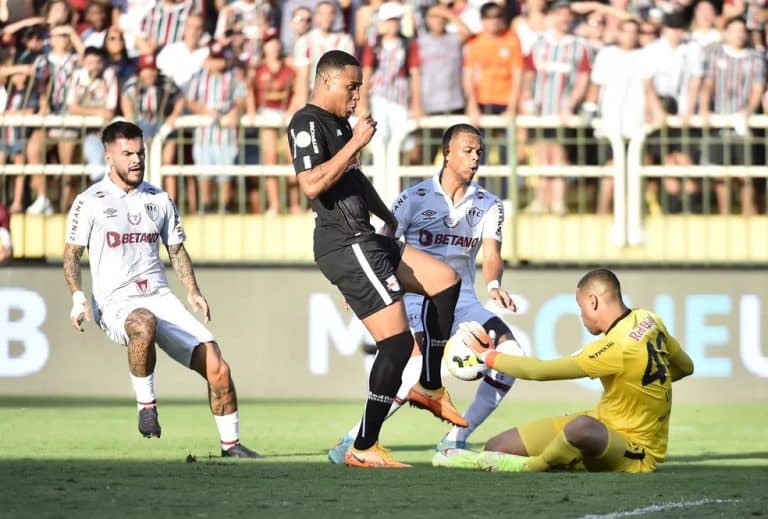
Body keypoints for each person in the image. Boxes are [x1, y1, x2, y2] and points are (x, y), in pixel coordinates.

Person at [287, 50, 462, 468]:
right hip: (344, 242)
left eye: (360, 87)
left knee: (445, 280)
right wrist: (355, 143)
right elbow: (312, 184)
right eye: (352, 87)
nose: (357, 95)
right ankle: (363, 447)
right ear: (326, 82)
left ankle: (430, 384)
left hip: (365, 237)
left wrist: (389, 219)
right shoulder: (305, 123)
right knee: (398, 343)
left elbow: (355, 181)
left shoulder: (341, 125)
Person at [326, 124, 528, 467]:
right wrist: (362, 279)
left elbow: (492, 255)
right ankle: (353, 438)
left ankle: (455, 440)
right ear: (446, 153)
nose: (475, 157)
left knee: (512, 356)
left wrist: (494, 287)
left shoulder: (489, 204)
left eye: (479, 152)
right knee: (413, 369)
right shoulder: (412, 199)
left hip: (462, 300)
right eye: (467, 150)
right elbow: (383, 244)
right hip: (417, 297)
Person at [63, 120, 261, 458]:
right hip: (116, 302)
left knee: (218, 366)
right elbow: (71, 255)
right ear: (109, 157)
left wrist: (193, 291)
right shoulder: (89, 201)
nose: (136, 160)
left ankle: (232, 446)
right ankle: (147, 406)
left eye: (140, 152)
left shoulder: (159, 198)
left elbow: (177, 251)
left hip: (160, 297)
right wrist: (78, 297)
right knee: (143, 323)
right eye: (127, 154)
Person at [445, 268, 695, 473]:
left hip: (635, 450)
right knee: (497, 447)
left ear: (592, 301)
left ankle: (535, 466)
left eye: (580, 306)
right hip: (604, 422)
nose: (581, 314)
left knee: (581, 428)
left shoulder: (613, 348)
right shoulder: (649, 319)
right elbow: (686, 367)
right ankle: (567, 456)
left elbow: (539, 371)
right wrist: (645, 385)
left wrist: (488, 356)